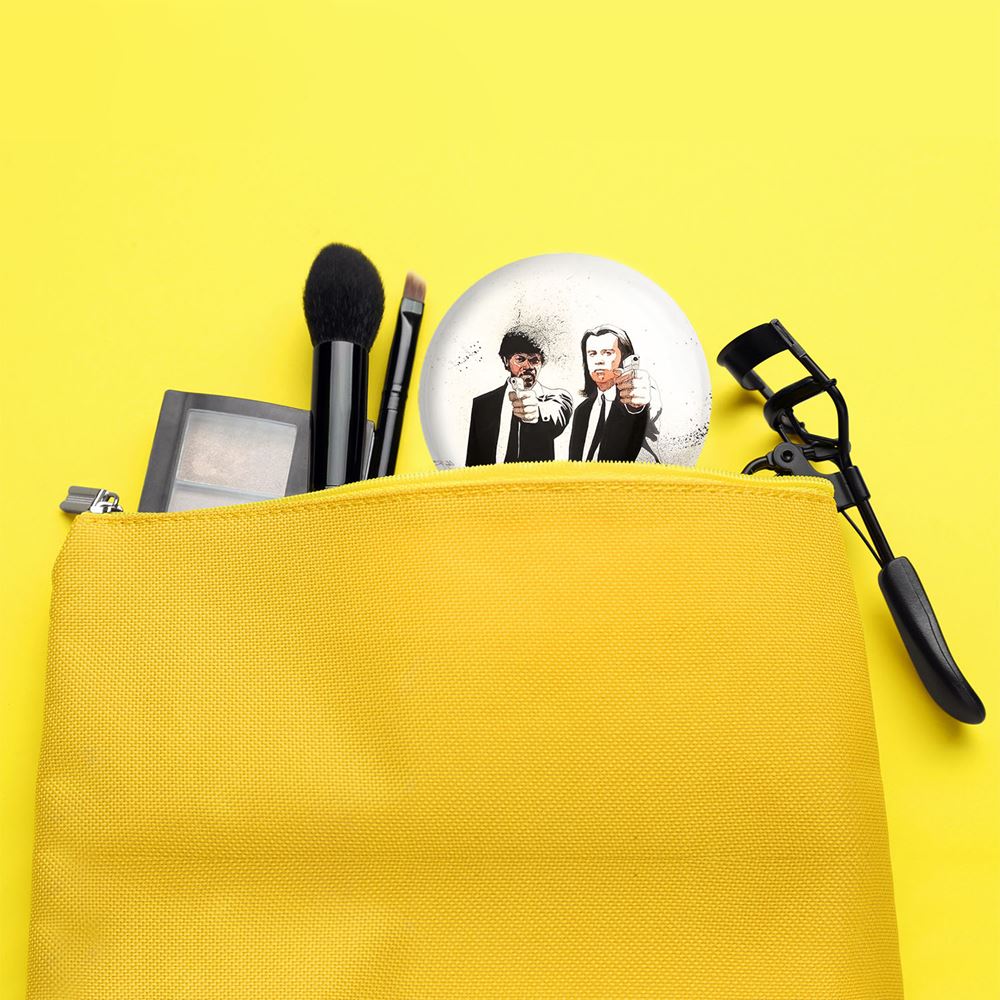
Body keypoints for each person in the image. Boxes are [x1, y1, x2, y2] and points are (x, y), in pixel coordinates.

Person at [466, 327, 573, 466]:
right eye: (520, 359)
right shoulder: (482, 405)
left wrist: (537, 411)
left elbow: (557, 412)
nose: (528, 366)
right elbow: (473, 461)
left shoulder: (557, 398)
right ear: (506, 361)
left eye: (534, 360)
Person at [568, 325, 661, 462]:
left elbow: (646, 408)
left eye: (607, 353)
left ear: (624, 358)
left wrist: (639, 403)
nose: (598, 360)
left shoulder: (633, 401)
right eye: (592, 353)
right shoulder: (581, 411)